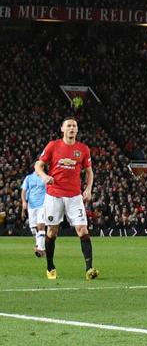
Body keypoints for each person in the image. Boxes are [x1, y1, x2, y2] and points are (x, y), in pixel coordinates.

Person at [34, 118, 97, 280]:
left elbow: (89, 171)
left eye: (74, 126)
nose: (71, 128)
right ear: (62, 129)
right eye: (68, 125)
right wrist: (44, 176)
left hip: (75, 196)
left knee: (83, 230)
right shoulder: (53, 146)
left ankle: (89, 269)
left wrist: (88, 189)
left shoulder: (83, 149)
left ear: (77, 130)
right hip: (54, 195)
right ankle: (50, 266)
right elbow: (38, 165)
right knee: (52, 231)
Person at [21, 170, 47, 258]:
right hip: (31, 206)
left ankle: (40, 249)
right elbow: (24, 191)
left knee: (41, 226)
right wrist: (24, 202)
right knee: (33, 228)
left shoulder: (45, 177)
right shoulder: (28, 178)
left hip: (42, 205)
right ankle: (40, 246)